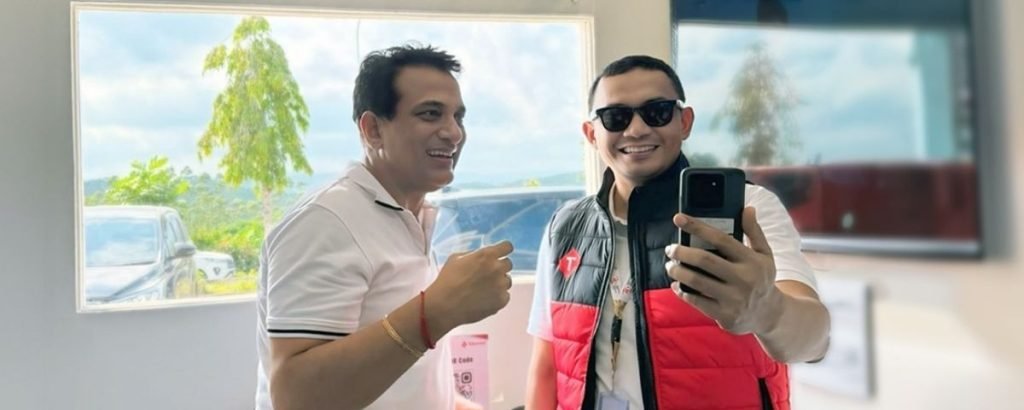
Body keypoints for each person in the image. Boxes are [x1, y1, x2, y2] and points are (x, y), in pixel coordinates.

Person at [525, 55, 831, 410]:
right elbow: (547, 363)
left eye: (656, 112)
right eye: (616, 117)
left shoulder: (749, 210)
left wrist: (769, 312)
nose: (636, 130)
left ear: (684, 122)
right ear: (592, 134)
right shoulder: (565, 228)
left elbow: (814, 341)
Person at [255, 44, 513, 410]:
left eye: (458, 117)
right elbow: (295, 397)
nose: (454, 133)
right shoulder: (326, 221)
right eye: (430, 114)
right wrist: (435, 312)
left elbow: (400, 375)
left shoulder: (415, 217)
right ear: (373, 129)